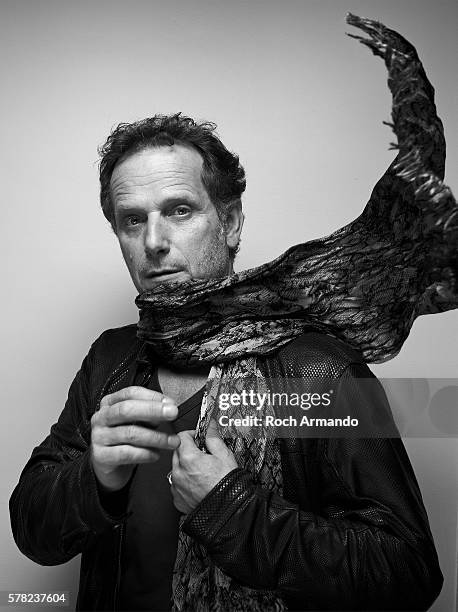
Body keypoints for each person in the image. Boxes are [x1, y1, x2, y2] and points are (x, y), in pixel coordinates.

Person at [10, 14, 454, 612]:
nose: (155, 241)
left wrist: (232, 509)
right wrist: (93, 476)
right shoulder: (112, 358)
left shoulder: (318, 372)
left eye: (181, 210)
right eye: (132, 219)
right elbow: (32, 534)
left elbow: (406, 574)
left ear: (232, 221)